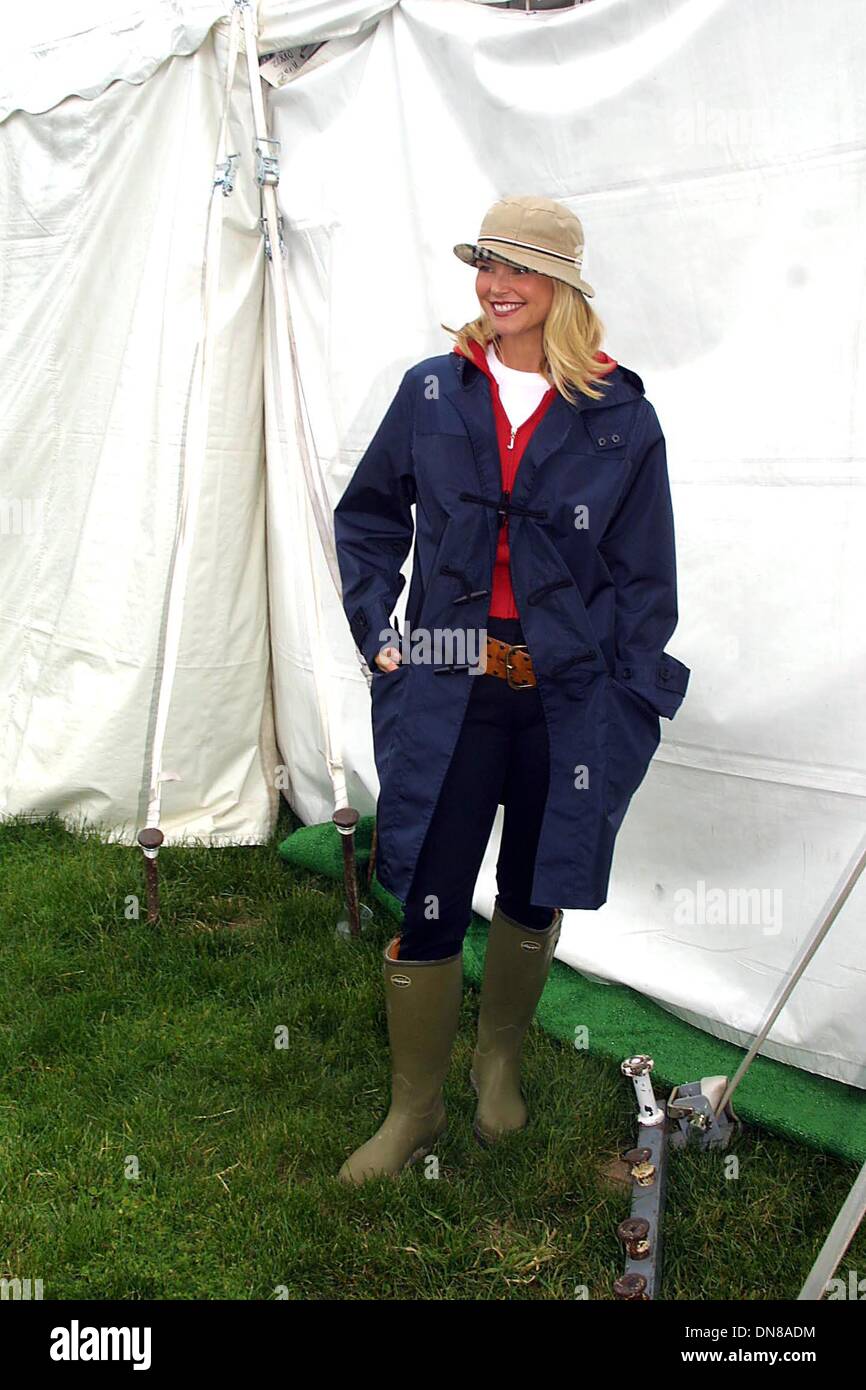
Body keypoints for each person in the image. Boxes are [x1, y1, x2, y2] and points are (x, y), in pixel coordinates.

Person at [333, 195, 690, 1185]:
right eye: (487, 262)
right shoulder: (431, 393)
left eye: (521, 268)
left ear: (561, 287)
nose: (496, 283)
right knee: (433, 894)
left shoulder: (618, 414)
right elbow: (366, 519)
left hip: (565, 697)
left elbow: (642, 577)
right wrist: (383, 635)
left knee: (535, 887)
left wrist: (616, 693)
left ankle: (496, 1067)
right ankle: (413, 1111)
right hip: (447, 675)